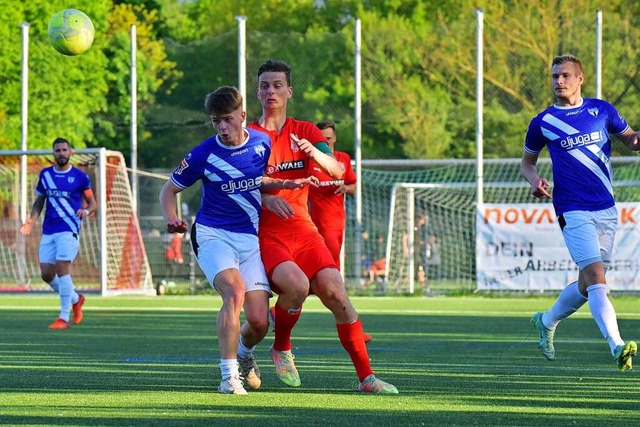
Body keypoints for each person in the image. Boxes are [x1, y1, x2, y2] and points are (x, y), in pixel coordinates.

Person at [248, 58, 398, 394]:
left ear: (289, 91)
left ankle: (367, 379)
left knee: (337, 294)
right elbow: (236, 184)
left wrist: (314, 155)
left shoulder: (305, 131)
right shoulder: (249, 137)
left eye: (277, 85)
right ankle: (281, 347)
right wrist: (265, 198)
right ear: (257, 93)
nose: (270, 91)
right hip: (269, 234)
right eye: (264, 85)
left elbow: (337, 171)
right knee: (297, 286)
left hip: (305, 231)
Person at [159, 86, 314, 395]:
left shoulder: (262, 143)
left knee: (259, 322)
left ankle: (244, 355)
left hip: (248, 238)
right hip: (213, 234)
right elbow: (168, 191)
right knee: (234, 290)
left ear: (243, 116)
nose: (222, 127)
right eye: (216, 121)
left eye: (228, 120)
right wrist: (170, 218)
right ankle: (228, 377)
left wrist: (282, 187)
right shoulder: (203, 154)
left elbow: (258, 181)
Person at [521, 54, 639, 371]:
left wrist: (637, 138)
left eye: (565, 75)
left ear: (580, 79)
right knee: (598, 280)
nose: (559, 81)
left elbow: (631, 140)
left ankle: (546, 322)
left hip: (606, 208)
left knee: (587, 286)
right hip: (571, 208)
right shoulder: (543, 122)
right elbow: (527, 164)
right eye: (555, 76)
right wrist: (534, 181)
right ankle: (617, 346)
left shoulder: (602, 111)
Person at [19, 137, 96, 329]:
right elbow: (39, 201)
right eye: (57, 150)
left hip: (69, 229)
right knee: (46, 274)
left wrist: (86, 211)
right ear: (53, 153)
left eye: (64, 150)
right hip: (49, 230)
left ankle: (63, 317)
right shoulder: (45, 175)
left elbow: (93, 203)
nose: (61, 153)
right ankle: (76, 299)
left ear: (71, 153)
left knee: (62, 268)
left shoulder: (80, 177)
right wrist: (31, 220)